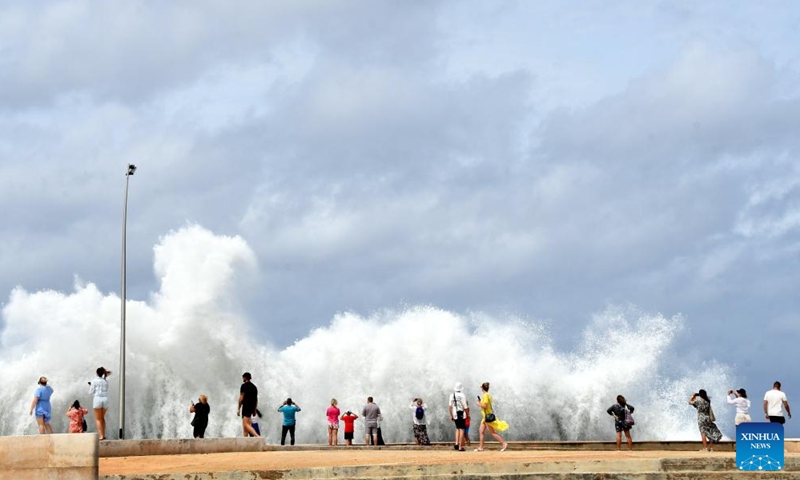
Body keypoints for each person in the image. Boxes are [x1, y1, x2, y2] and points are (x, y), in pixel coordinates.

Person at [474, 382, 509, 452]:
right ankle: (481, 447)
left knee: (492, 432)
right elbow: (485, 405)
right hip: (485, 417)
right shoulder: (488, 395)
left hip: (487, 417)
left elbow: (485, 406)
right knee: (481, 431)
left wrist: (478, 404)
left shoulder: (486, 395)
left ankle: (504, 443)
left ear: (482, 388)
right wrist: (481, 402)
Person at [88, 367, 111, 440]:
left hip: (98, 399)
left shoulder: (94, 381)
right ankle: (103, 435)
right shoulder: (105, 381)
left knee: (98, 419)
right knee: (102, 418)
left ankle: (101, 436)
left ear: (97, 373)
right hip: (105, 399)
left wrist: (90, 385)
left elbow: (91, 392)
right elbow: (106, 389)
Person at [237, 372, 260, 437]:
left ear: (245, 377)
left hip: (246, 406)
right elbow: (256, 399)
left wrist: (238, 408)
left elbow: (241, 398)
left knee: (246, 425)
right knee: (245, 426)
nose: (242, 379)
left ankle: (257, 436)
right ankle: (245, 440)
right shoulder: (254, 387)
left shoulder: (243, 386)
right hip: (251, 407)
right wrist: (254, 410)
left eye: (243, 377)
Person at [449, 382, 469, 451]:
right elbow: (465, 406)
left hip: (454, 413)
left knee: (457, 428)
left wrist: (451, 415)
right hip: (461, 413)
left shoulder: (452, 395)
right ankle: (460, 446)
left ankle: (456, 443)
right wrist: (468, 414)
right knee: (462, 429)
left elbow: (450, 407)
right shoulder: (462, 395)